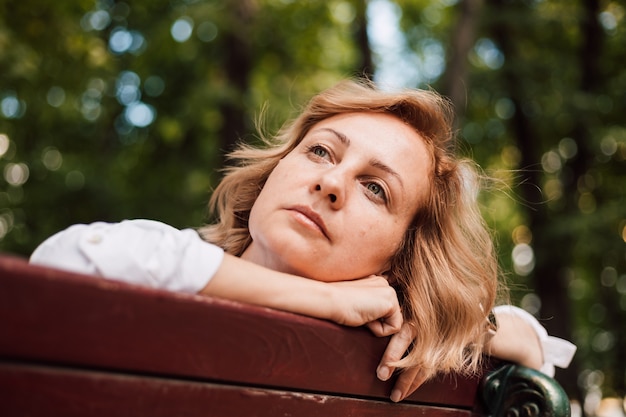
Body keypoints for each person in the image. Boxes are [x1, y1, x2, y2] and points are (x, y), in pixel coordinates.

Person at [30, 79, 576, 402]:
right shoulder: (160, 256)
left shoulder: (387, 344)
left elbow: (530, 343)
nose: (331, 183)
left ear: (402, 256)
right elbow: (65, 260)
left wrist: (440, 320)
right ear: (277, 168)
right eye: (321, 151)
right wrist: (329, 300)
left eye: (375, 188)